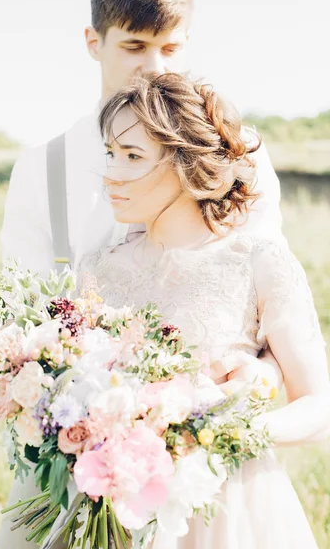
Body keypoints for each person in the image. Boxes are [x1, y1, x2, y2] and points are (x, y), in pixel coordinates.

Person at [0, 0, 283, 547]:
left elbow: (271, 309)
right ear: (92, 42)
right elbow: (19, 325)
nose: (154, 67)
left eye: (171, 49)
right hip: (74, 472)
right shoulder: (41, 171)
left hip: (203, 474)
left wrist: (259, 375)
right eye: (133, 46)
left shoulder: (242, 161)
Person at [76, 71, 330, 549]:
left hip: (228, 509)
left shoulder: (257, 262)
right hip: (117, 513)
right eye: (111, 153)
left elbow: (320, 409)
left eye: (132, 156)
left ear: (184, 163)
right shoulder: (96, 271)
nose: (111, 171)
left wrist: (219, 429)